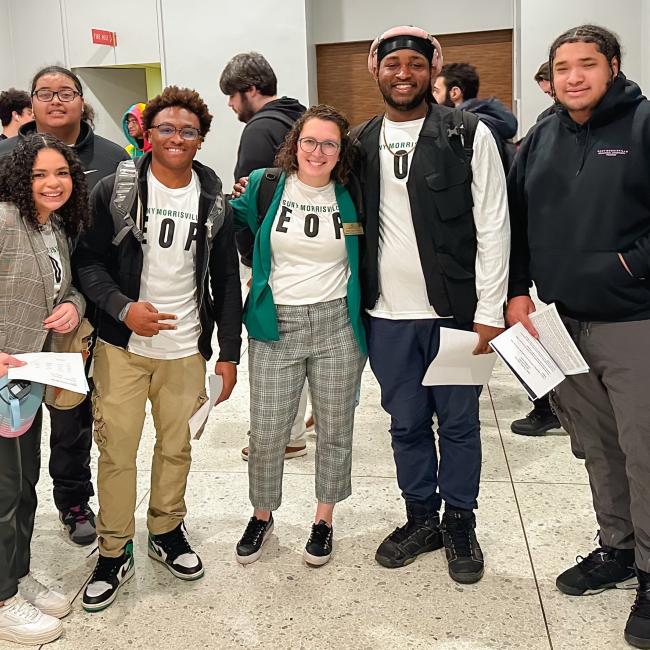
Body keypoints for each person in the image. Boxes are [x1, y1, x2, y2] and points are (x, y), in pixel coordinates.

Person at [506, 25, 650, 649]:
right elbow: (514, 217)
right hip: (562, 323)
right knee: (597, 446)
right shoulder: (541, 134)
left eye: (586, 65)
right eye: (562, 67)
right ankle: (617, 548)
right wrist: (517, 291)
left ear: (612, 66)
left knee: (645, 452)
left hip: (633, 322)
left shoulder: (643, 125)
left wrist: (626, 266)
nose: (573, 77)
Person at [74, 86, 242, 612]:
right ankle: (113, 548)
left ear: (200, 138)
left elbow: (227, 283)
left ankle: (166, 530)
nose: (176, 138)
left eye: (187, 130)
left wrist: (228, 353)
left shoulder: (214, 201)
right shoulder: (113, 190)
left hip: (186, 349)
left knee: (177, 448)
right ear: (147, 134)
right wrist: (124, 308)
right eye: (166, 128)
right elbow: (88, 262)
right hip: (121, 348)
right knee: (117, 452)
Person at [354, 26, 510, 584]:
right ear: (376, 69)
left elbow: (494, 224)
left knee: (461, 425)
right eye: (391, 63)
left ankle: (460, 520)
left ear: (433, 70)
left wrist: (489, 309)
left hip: (457, 316)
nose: (403, 74)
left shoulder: (469, 134)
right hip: (387, 318)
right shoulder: (359, 141)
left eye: (415, 64)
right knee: (406, 424)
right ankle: (421, 516)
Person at [230, 104, 366, 567]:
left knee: (334, 429)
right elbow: (232, 223)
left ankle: (324, 518)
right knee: (267, 431)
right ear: (295, 143)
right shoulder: (268, 186)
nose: (318, 151)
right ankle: (262, 515)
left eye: (330, 143)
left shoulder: (351, 194)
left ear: (341, 150)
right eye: (310, 141)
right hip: (275, 324)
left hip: (337, 325)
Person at [0, 66, 130, 546]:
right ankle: (13, 545)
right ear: (29, 103)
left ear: (82, 100)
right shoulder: (5, 158)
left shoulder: (115, 158)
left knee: (72, 418)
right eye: (45, 94)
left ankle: (74, 501)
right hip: (14, 325)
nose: (56, 102)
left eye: (67, 93)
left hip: (82, 309)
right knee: (16, 443)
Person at [0, 133, 89, 645]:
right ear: (20, 179)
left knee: (25, 483)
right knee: (4, 491)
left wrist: (73, 305)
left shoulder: (52, 226)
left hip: (29, 377)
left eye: (60, 173)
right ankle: (2, 595)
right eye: (39, 175)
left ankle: (18, 573)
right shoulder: (7, 219)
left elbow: (67, 285)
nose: (52, 183)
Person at [219, 51, 309, 461]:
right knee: (308, 339)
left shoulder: (259, 130)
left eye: (232, 96)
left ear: (251, 90)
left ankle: (285, 434)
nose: (230, 105)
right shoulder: (301, 118)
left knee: (276, 347)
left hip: (274, 259)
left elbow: (253, 204)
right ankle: (308, 418)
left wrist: (251, 261)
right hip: (312, 254)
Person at [508, 61, 562, 437]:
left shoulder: (545, 126)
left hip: (547, 253)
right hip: (551, 261)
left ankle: (548, 406)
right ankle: (555, 407)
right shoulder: (545, 126)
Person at [433, 62, 518, 170]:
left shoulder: (472, 127)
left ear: (454, 93)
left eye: (436, 91)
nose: (433, 97)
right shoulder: (486, 119)